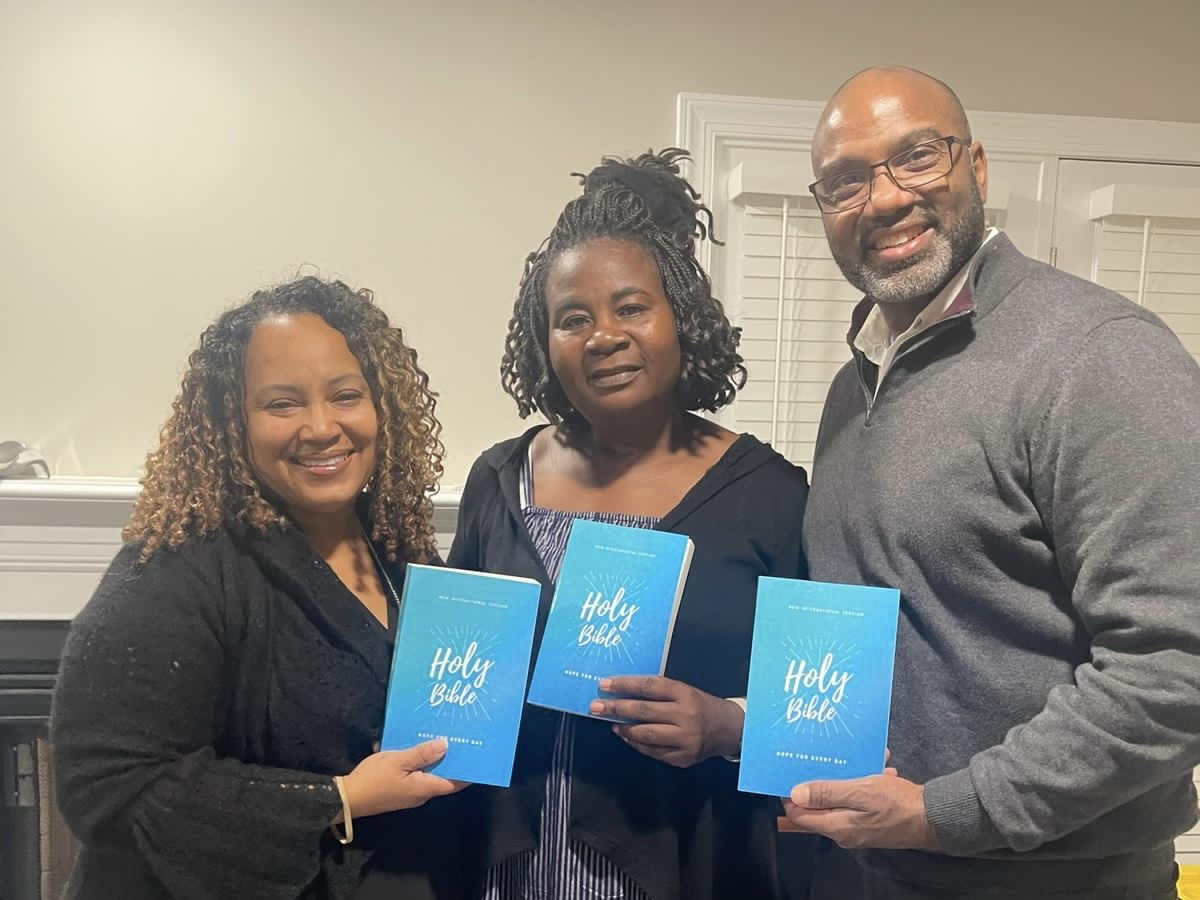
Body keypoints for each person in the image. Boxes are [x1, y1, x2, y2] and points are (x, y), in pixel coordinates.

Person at [785, 65, 1200, 900]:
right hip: (862, 868)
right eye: (847, 181)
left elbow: (1174, 665)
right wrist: (743, 724)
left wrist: (946, 814)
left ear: (975, 165)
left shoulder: (1100, 354)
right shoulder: (852, 388)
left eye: (916, 156)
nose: (885, 198)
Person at [447, 149, 813, 900]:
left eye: (632, 308)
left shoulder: (769, 496)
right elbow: (455, 668)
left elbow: (824, 707)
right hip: (503, 870)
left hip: (687, 864)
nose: (603, 336)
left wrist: (728, 725)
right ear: (544, 343)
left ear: (681, 319)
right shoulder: (500, 481)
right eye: (573, 319)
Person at [51, 277, 468, 900]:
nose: (321, 427)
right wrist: (339, 799)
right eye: (282, 404)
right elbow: (105, 786)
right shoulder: (175, 566)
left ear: (382, 406)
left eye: (346, 395)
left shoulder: (395, 546)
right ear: (233, 422)